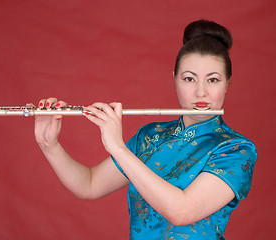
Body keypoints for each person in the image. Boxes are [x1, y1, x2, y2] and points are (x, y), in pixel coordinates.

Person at [31, 20, 257, 239]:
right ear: (175, 79)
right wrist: (49, 145)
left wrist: (118, 148)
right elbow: (88, 184)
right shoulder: (150, 136)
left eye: (213, 80)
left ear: (227, 83)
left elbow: (181, 212)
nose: (200, 93)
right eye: (189, 78)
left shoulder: (236, 149)